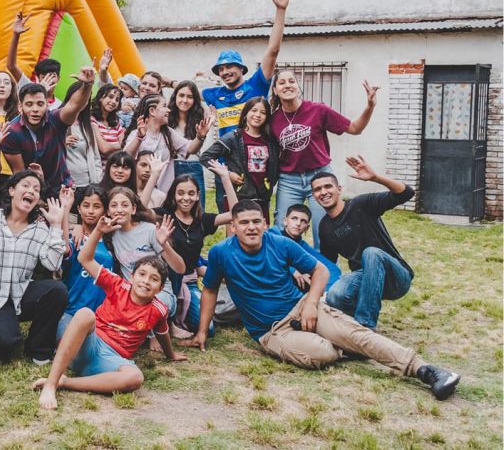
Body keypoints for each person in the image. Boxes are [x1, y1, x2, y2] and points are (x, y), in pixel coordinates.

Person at [187, 200, 460, 401]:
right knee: (323, 352)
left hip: (302, 308)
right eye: (244, 222)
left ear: (266, 224)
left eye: (256, 221)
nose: (251, 227)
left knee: (359, 335)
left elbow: (320, 270)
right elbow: (209, 290)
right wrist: (202, 332)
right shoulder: (221, 253)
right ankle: (344, 345)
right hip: (272, 331)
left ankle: (424, 370)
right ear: (232, 226)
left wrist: (309, 303)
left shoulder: (280, 243)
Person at [34, 210, 187, 410]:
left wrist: (171, 355)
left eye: (154, 279)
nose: (146, 281)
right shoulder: (117, 284)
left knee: (135, 377)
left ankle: (66, 382)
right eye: (142, 274)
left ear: (160, 288)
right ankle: (51, 385)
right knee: (85, 314)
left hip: (110, 361)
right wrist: (98, 230)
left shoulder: (158, 309)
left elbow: (162, 331)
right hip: (86, 346)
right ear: (131, 277)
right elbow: (85, 259)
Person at [201, 0, 291, 208]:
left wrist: (280, 11)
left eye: (230, 66)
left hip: (257, 165)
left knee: (258, 219)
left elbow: (273, 51)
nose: (225, 72)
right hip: (226, 166)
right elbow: (186, 93)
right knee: (230, 218)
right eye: (221, 69)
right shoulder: (214, 94)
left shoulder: (256, 86)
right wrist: (166, 82)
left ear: (242, 69)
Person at [271, 69, 379, 245]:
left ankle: (327, 271)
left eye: (292, 81)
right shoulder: (273, 120)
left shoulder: (318, 110)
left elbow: (355, 128)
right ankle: (286, 270)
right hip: (289, 180)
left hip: (319, 177)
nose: (287, 85)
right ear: (275, 90)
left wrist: (370, 106)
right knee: (282, 230)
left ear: (298, 86)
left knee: (324, 230)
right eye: (281, 82)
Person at [0, 171, 69, 364]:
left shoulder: (40, 229)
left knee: (57, 291)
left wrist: (56, 225)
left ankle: (39, 348)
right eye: (26, 185)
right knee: (6, 344)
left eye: (36, 189)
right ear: (12, 190)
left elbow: (53, 263)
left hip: (19, 292)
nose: (31, 191)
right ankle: (0, 325)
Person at [313, 156, 415, 329]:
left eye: (328, 186)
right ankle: (350, 326)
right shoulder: (325, 227)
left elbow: (407, 193)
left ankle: (365, 326)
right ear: (314, 196)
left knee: (371, 253)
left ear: (339, 189)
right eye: (317, 189)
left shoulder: (361, 204)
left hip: (396, 278)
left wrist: (376, 178)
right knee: (336, 295)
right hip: (364, 279)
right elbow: (328, 265)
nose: (323, 192)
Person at [153, 163, 237, 335]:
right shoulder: (165, 215)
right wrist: (154, 175)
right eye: (181, 193)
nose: (186, 198)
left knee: (209, 329)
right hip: (166, 281)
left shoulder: (202, 220)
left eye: (191, 193)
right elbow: (139, 210)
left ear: (198, 196)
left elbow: (236, 214)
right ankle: (168, 320)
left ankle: (178, 314)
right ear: (174, 196)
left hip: (189, 281)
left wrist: (225, 178)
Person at [0, 65, 97, 199]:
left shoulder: (56, 119)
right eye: (29, 104)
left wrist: (87, 85)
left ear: (47, 104)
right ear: (20, 106)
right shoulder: (12, 131)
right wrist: (38, 181)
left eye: (40, 104)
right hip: (30, 192)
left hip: (61, 190)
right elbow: (19, 174)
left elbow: (74, 105)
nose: (35, 109)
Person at [104, 187, 185, 315]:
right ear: (108, 211)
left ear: (133, 209)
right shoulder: (109, 234)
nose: (119, 209)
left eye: (125, 205)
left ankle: (160, 328)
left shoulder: (149, 230)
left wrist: (164, 244)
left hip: (158, 294)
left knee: (145, 311)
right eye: (114, 205)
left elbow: (180, 268)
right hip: (132, 295)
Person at [199, 97, 279, 221]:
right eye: (254, 110)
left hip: (262, 199)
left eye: (263, 113)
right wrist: (227, 174)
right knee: (234, 237)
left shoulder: (270, 141)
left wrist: (269, 183)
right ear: (246, 113)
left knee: (260, 237)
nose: (258, 115)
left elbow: (274, 167)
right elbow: (206, 157)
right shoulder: (234, 137)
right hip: (237, 197)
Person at [124, 94, 211, 197]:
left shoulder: (168, 133)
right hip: (139, 194)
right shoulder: (136, 134)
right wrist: (139, 137)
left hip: (163, 195)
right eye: (164, 106)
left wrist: (200, 136)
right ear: (152, 111)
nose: (168, 110)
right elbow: (125, 156)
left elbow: (190, 149)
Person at [56, 186, 113, 339]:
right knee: (68, 348)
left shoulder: (111, 239)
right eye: (86, 206)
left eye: (97, 206)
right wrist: (66, 208)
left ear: (105, 210)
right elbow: (64, 248)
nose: (91, 211)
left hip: (103, 315)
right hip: (73, 312)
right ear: (79, 209)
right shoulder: (74, 238)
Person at [278, 204, 341, 293]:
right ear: (285, 221)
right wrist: (292, 270)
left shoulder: (303, 247)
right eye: (294, 218)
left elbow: (331, 268)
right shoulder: (273, 236)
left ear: (307, 228)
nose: (298, 223)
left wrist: (325, 292)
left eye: (303, 221)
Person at [6, 12, 62, 110]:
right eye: (44, 77)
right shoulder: (28, 88)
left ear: (59, 78)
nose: (48, 80)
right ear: (38, 78)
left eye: (52, 76)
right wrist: (16, 35)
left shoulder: (60, 105)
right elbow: (11, 66)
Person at [168, 80, 209, 209]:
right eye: (181, 95)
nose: (185, 100)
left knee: (198, 209)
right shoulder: (166, 117)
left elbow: (211, 102)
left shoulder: (200, 119)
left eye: (190, 97)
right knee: (171, 209)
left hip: (193, 166)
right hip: (170, 167)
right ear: (175, 97)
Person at [62, 81, 104, 207]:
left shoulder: (87, 126)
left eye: (86, 98)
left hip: (86, 184)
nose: (82, 101)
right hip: (66, 184)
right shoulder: (58, 121)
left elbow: (96, 157)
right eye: (80, 96)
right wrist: (62, 143)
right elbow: (46, 148)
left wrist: (97, 183)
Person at [90, 83, 125, 159]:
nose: (113, 102)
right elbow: (104, 149)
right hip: (99, 169)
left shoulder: (116, 123)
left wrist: (111, 145)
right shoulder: (92, 120)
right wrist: (119, 145)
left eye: (117, 100)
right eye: (111, 97)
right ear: (100, 98)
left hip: (116, 167)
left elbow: (126, 146)